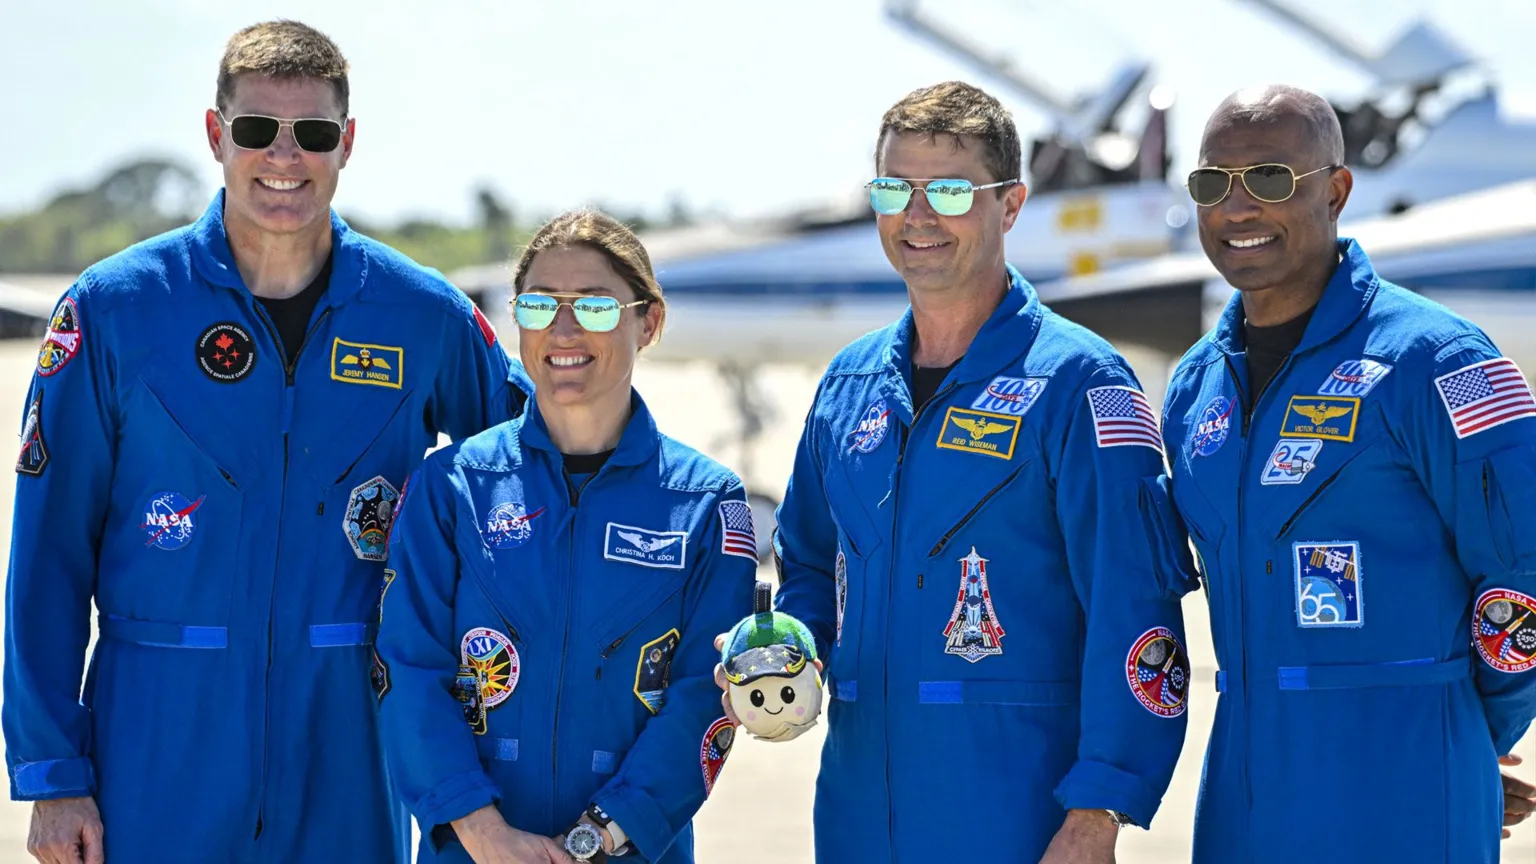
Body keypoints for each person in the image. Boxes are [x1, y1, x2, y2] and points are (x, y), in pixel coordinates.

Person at [3, 20, 531, 864]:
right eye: (256, 130)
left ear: (346, 144)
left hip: (349, 737)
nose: (283, 156)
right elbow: (47, 554)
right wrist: (52, 772)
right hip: (156, 734)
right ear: (217, 135)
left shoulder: (421, 316)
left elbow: (539, 459)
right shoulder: (113, 310)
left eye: (312, 134)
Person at [728, 80, 1199, 862]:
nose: (917, 216)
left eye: (948, 190)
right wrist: (791, 649)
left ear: (1011, 206)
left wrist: (1099, 813)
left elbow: (1134, 608)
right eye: (895, 188)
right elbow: (810, 560)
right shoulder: (848, 385)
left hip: (1019, 816)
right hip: (856, 818)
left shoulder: (1081, 383)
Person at [1160, 84, 1536, 862]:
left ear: (1335, 191)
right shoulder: (1195, 388)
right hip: (1243, 790)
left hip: (1405, 793)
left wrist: (1462, 734)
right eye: (1212, 183)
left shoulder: (1438, 362)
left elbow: (1524, 573)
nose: (1236, 208)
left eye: (1268, 179)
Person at [376, 209, 757, 864]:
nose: (564, 329)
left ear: (650, 321)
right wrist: (485, 835)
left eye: (596, 307)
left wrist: (598, 839)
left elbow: (708, 692)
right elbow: (406, 670)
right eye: (539, 305)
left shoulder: (707, 502)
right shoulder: (451, 486)